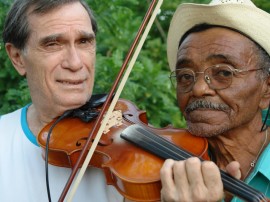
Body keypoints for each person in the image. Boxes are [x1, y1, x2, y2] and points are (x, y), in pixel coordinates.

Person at [0, 0, 124, 201]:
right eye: (53, 44)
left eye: (84, 41)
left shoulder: (127, 152)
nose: (75, 63)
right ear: (17, 57)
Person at [160, 0, 270, 201]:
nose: (198, 88)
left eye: (223, 73)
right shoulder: (161, 169)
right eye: (185, 75)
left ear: (267, 89)